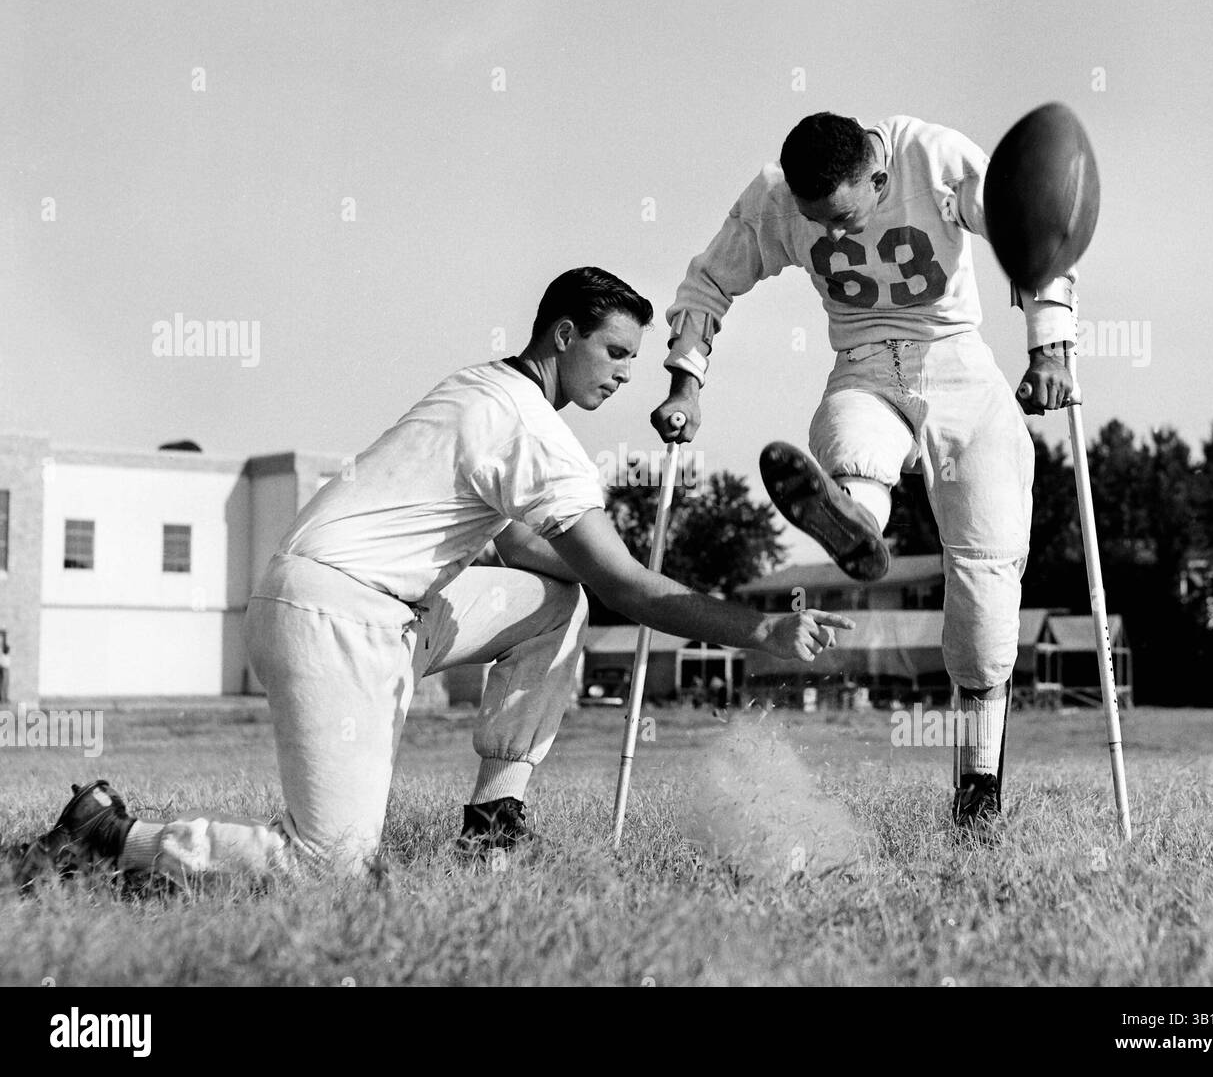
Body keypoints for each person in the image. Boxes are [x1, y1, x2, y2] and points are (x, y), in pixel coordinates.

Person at [16, 267, 852, 891]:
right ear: (563, 335)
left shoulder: (479, 389)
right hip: (333, 619)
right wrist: (757, 629)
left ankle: (493, 825)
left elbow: (540, 557)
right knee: (332, 866)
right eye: (616, 351)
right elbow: (629, 587)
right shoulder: (534, 431)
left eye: (635, 358)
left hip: (367, 608)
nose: (627, 373)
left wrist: (623, 574)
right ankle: (107, 836)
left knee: (558, 603)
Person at [650, 113, 1080, 838]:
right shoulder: (776, 195)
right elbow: (706, 284)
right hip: (863, 360)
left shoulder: (936, 159)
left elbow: (1034, 229)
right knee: (853, 445)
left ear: (879, 179)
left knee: (987, 567)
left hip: (957, 359)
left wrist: (1050, 346)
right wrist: (684, 382)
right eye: (821, 225)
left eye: (846, 217)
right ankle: (852, 520)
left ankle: (978, 789)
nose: (837, 236)